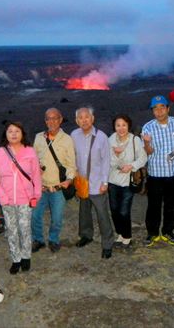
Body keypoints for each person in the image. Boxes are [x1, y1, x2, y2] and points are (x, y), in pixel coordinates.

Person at [0, 122, 42, 274]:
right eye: (10, 131)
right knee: (11, 230)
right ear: (5, 134)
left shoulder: (30, 151)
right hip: (7, 200)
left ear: (22, 133)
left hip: (26, 198)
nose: (13, 134)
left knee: (24, 228)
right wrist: (1, 195)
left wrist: (36, 194)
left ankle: (26, 257)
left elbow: (36, 174)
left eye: (17, 131)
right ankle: (16, 259)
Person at [141, 96, 174, 247]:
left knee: (172, 204)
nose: (159, 111)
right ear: (152, 111)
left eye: (162, 107)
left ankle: (169, 231)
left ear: (168, 109)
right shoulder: (148, 127)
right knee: (153, 205)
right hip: (155, 173)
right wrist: (146, 142)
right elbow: (148, 152)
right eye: (155, 108)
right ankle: (152, 233)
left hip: (173, 173)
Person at [71, 106, 114, 259]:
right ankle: (86, 235)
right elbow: (72, 157)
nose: (84, 120)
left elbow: (106, 161)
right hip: (82, 183)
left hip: (97, 183)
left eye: (86, 117)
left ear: (92, 119)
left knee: (102, 214)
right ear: (77, 121)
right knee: (84, 212)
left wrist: (105, 182)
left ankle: (107, 244)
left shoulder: (101, 137)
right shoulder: (74, 135)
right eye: (80, 118)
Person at [32, 108, 76, 253]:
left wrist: (69, 179)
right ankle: (38, 239)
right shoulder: (39, 137)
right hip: (41, 187)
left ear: (60, 119)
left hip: (58, 188)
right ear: (45, 121)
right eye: (48, 119)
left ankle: (53, 239)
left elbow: (71, 164)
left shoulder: (67, 140)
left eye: (54, 118)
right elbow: (32, 159)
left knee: (56, 219)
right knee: (35, 216)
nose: (51, 121)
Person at [108, 114, 147, 249]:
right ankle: (120, 234)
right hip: (113, 180)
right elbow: (108, 160)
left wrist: (131, 166)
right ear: (114, 127)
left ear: (128, 126)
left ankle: (127, 237)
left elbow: (143, 158)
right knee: (114, 210)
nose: (121, 128)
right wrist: (118, 157)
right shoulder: (111, 139)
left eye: (124, 125)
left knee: (124, 211)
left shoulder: (134, 140)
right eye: (118, 125)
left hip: (128, 181)